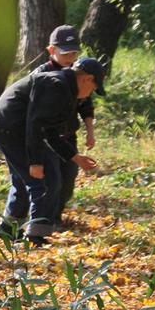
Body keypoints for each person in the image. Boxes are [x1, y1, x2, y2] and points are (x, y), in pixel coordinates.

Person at [0, 58, 106, 245]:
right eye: (93, 89)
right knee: (42, 181)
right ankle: (35, 237)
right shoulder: (57, 85)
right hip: (11, 129)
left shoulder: (65, 87)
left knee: (29, 182)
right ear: (87, 79)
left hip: (18, 130)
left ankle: (8, 231)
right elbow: (36, 125)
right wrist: (35, 162)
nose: (88, 95)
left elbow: (51, 132)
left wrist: (76, 157)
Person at [33, 25, 100, 229]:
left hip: (68, 136)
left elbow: (86, 105)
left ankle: (56, 216)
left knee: (68, 179)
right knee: (53, 180)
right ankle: (45, 221)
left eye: (74, 53)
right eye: (65, 53)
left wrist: (90, 132)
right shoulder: (42, 74)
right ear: (51, 50)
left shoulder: (78, 75)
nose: (70, 58)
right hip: (49, 138)